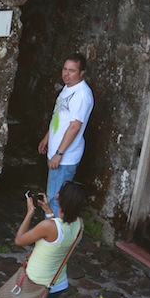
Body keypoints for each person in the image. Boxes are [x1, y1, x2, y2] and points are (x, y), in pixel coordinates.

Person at [11, 181, 86, 298]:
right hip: (56, 283)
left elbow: (19, 240)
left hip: (36, 283)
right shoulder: (80, 225)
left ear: (58, 198)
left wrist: (30, 212)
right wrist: (49, 213)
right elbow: (58, 235)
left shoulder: (47, 226)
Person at [37, 53, 94, 217]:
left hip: (65, 156)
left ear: (82, 72)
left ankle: (53, 236)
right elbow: (59, 116)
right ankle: (51, 232)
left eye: (72, 71)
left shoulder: (82, 95)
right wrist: (47, 137)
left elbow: (74, 127)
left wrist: (59, 153)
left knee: (56, 199)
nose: (66, 74)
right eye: (65, 69)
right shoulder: (68, 88)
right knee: (52, 195)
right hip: (56, 151)